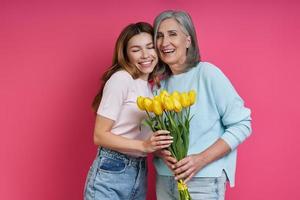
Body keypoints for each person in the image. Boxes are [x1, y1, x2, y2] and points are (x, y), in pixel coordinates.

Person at [152, 10, 252, 200]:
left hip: (203, 181)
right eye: (159, 36)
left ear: (188, 40)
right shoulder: (159, 86)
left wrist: (200, 160)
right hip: (165, 180)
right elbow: (152, 138)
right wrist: (160, 150)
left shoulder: (207, 74)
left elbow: (242, 124)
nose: (165, 43)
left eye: (173, 34)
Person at [83, 22, 173, 200]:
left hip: (139, 170)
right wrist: (144, 146)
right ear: (126, 54)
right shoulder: (121, 79)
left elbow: (137, 137)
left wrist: (160, 151)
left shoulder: (150, 89)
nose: (145, 55)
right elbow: (99, 136)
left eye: (150, 47)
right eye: (136, 49)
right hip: (112, 170)